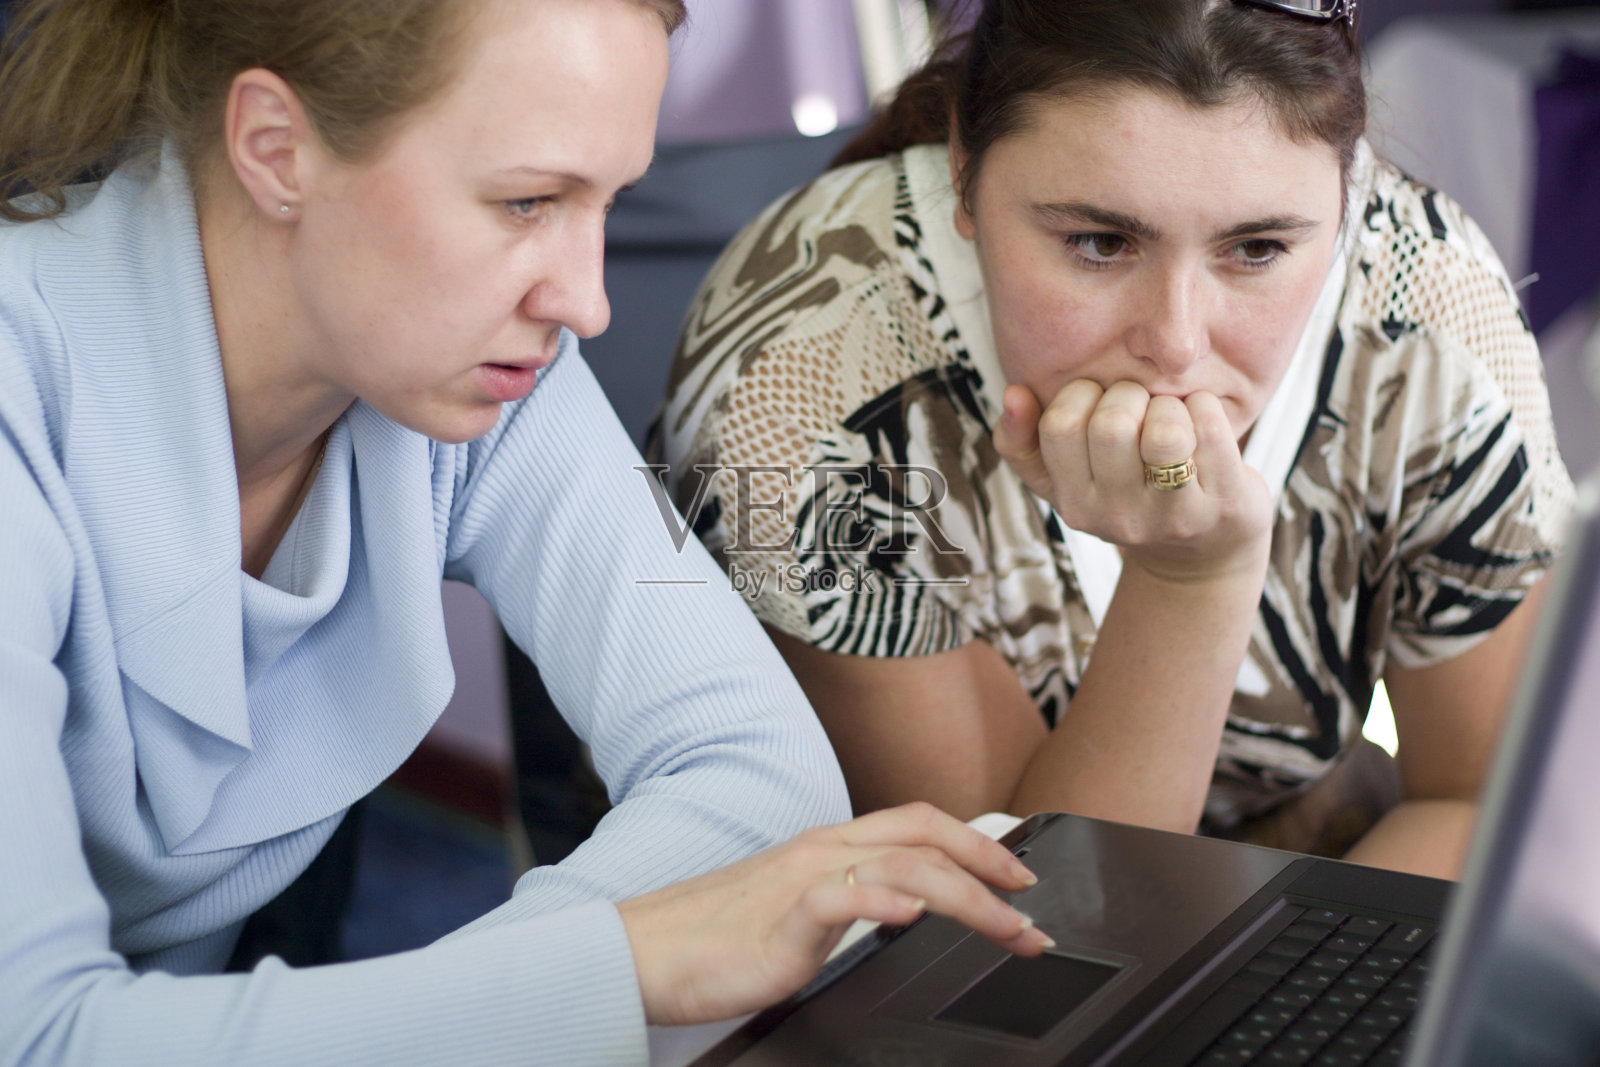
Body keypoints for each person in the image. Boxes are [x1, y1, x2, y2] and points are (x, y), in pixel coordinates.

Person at [0, 1, 1057, 1064]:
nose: (586, 302)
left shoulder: (509, 380)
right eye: (525, 202)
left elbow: (763, 764)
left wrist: (529, 991)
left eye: (605, 202)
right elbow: (37, 1033)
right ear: (277, 149)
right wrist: (614, 962)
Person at [652, 0, 1575, 881]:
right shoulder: (801, 377)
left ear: (1346, 197)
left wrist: (1300, 1003)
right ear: (964, 167)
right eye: (1098, 241)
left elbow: (1494, 806)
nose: (1175, 341)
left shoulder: (1429, 317)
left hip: (1301, 875)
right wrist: (1190, 581)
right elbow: (1021, 931)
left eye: (1256, 250)